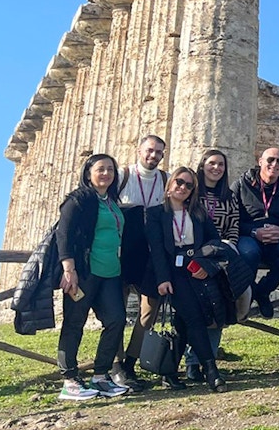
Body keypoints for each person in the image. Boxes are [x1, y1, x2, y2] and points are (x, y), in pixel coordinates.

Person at [146, 167, 229, 392]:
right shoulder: (155, 213)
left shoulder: (198, 212)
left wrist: (204, 266)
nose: (183, 188)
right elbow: (156, 251)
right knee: (194, 318)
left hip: (195, 270)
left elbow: (214, 240)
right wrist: (163, 279)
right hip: (172, 273)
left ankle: (169, 372)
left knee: (184, 322)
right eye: (179, 182)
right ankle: (212, 372)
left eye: (189, 185)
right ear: (170, 184)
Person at [55, 153, 130, 401]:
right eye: (100, 169)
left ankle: (100, 376)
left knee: (116, 320)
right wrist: (69, 268)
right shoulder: (78, 200)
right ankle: (70, 380)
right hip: (84, 272)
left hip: (110, 272)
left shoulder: (112, 201)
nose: (106, 174)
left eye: (110, 169)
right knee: (74, 323)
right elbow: (63, 234)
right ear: (89, 173)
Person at [113, 134, 167, 391]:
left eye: (158, 152)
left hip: (150, 257)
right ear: (139, 150)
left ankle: (130, 363)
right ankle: (115, 365)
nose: (153, 156)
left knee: (148, 313)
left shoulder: (165, 180)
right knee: (116, 312)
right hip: (122, 255)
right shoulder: (122, 176)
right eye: (149, 150)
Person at [184, 149, 244, 382]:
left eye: (220, 164)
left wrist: (228, 248)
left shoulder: (229, 196)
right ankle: (191, 362)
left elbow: (234, 227)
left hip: (218, 259)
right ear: (202, 165)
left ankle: (206, 360)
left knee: (217, 309)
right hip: (194, 258)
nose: (216, 168)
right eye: (212, 163)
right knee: (196, 310)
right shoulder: (191, 193)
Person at [234, 147, 279, 318]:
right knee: (248, 251)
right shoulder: (240, 184)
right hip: (249, 237)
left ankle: (263, 290)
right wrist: (254, 232)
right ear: (260, 162)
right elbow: (232, 220)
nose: (275, 164)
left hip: (277, 241)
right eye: (270, 160)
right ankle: (247, 294)